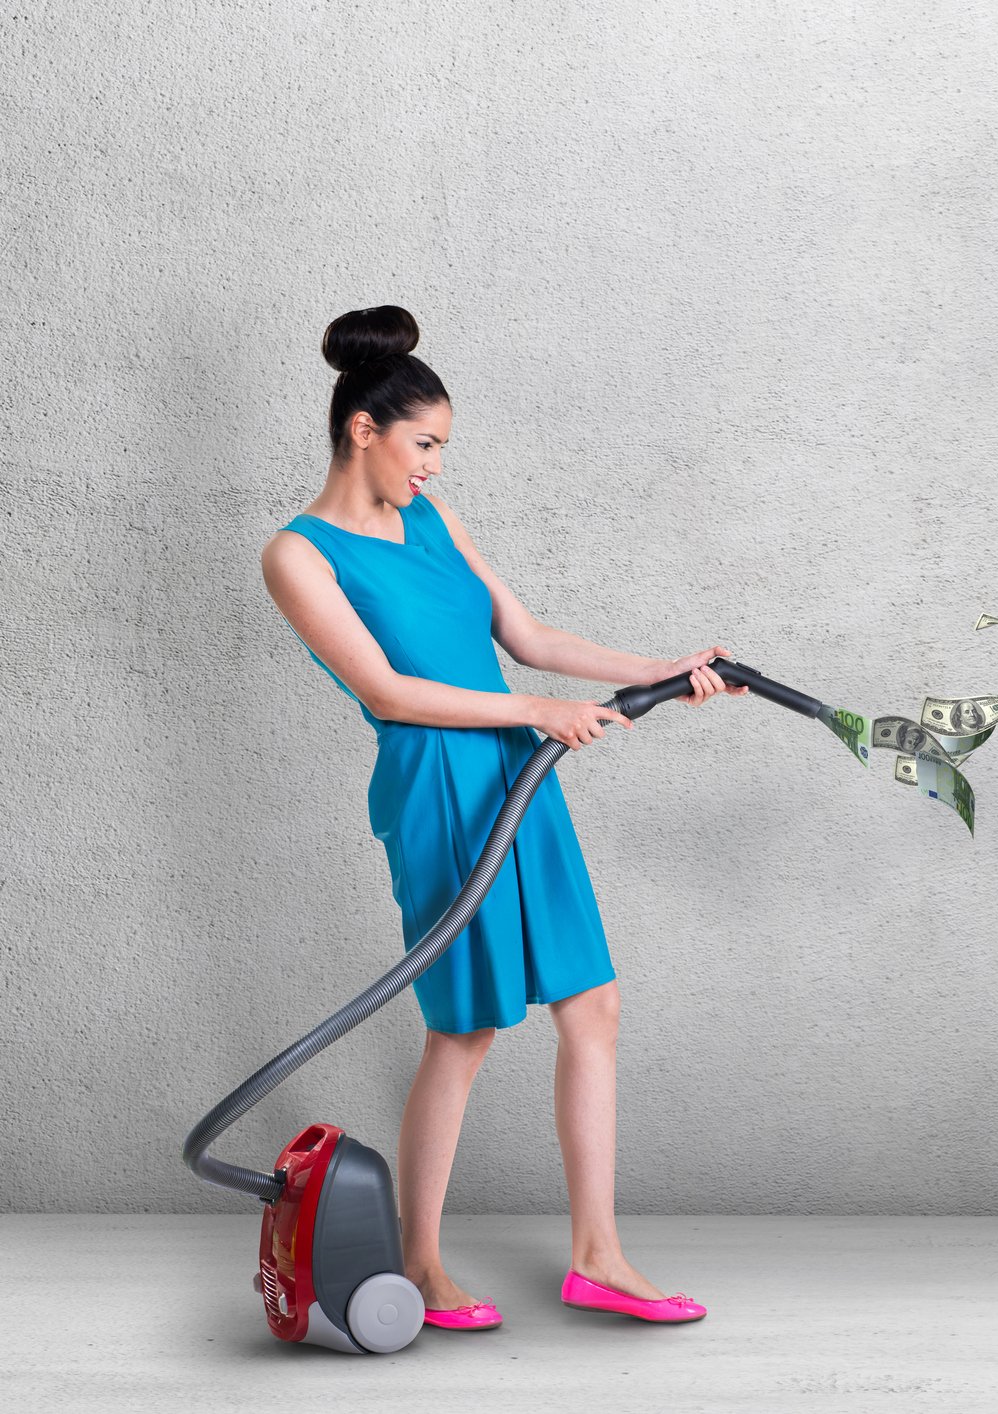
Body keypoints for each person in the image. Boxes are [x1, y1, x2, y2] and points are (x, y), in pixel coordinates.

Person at [260, 305, 744, 1330]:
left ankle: (598, 1258)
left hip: (522, 768)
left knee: (593, 1004)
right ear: (363, 430)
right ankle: (423, 1267)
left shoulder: (434, 519)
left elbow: (526, 635)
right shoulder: (299, 555)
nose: (434, 466)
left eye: (441, 448)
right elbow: (388, 691)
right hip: (438, 782)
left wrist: (665, 667)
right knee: (465, 1026)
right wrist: (536, 712)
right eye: (424, 443)